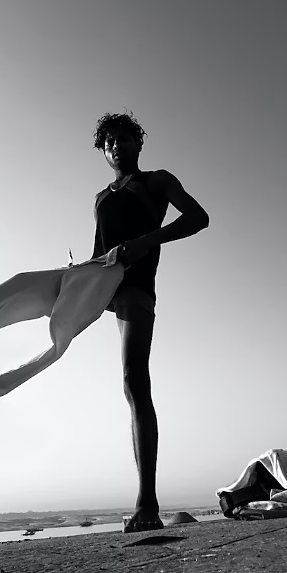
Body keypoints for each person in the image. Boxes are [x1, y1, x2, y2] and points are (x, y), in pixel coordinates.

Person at [91, 111, 210, 532]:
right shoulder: (101, 198)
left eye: (124, 139)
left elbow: (198, 217)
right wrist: (74, 279)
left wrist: (147, 240)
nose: (117, 146)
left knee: (134, 379)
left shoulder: (156, 181)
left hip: (140, 288)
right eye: (109, 143)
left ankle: (147, 504)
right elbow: (100, 254)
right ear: (103, 152)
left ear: (139, 144)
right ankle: (145, 502)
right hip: (112, 293)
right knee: (129, 386)